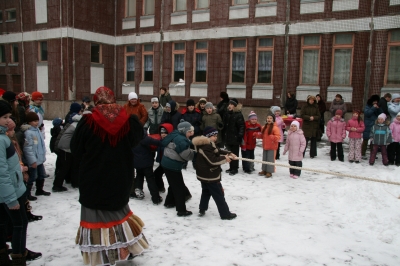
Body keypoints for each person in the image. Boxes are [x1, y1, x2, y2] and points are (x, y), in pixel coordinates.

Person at [71, 87, 148, 266]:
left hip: (93, 178)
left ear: (96, 101)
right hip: (121, 176)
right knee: (119, 213)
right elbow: (136, 140)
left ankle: (102, 253)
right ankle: (124, 247)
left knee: (95, 216)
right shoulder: (129, 120)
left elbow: (76, 149)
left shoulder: (87, 121)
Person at [0, 101, 42, 266]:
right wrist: (11, 198)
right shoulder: (1, 140)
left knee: (3, 222)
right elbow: (2, 173)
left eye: (9, 117)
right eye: (4, 117)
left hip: (7, 191)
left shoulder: (4, 137)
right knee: (20, 223)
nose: (7, 120)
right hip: (10, 192)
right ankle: (18, 257)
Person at [192, 126, 237, 220]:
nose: (216, 137)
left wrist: (228, 153)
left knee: (206, 192)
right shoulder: (206, 147)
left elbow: (217, 150)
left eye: (216, 135)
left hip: (204, 175)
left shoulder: (208, 143)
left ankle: (202, 209)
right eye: (214, 136)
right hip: (209, 175)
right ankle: (225, 214)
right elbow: (212, 161)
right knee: (218, 195)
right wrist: (225, 159)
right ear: (208, 136)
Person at [161, 120, 195, 217]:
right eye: (189, 132)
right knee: (179, 188)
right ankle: (181, 210)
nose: (191, 133)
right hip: (172, 165)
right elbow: (186, 155)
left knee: (173, 184)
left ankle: (169, 202)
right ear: (184, 131)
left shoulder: (176, 134)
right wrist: (195, 154)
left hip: (166, 163)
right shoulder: (181, 140)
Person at [132, 130, 163, 204]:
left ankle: (138, 191)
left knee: (139, 176)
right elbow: (157, 143)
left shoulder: (132, 139)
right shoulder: (144, 138)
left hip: (136, 162)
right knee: (150, 179)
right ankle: (156, 198)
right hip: (146, 163)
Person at [24, 112, 51, 198]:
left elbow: (40, 144)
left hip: (39, 159)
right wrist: (32, 161)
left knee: (41, 175)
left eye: (37, 120)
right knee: (32, 177)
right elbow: (28, 148)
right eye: (34, 121)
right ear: (29, 122)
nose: (36, 122)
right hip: (34, 160)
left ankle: (39, 190)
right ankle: (27, 194)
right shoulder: (28, 133)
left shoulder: (37, 130)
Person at [222, 98, 245, 176]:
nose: (230, 106)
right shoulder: (227, 113)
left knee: (235, 153)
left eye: (232, 104)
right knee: (229, 153)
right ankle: (231, 167)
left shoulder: (238, 114)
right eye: (229, 104)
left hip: (235, 137)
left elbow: (241, 126)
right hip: (228, 137)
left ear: (235, 106)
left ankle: (235, 168)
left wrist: (240, 135)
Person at [256, 114, 281, 178]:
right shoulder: (264, 127)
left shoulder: (275, 128)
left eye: (270, 118)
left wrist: (273, 137)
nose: (269, 119)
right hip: (265, 145)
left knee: (270, 159)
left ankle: (269, 171)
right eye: (268, 118)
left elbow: (278, 137)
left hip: (272, 146)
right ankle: (264, 170)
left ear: (273, 119)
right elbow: (262, 136)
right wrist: (257, 135)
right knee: (264, 158)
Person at [154, 123, 174, 193]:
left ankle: (183, 193)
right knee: (157, 174)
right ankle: (161, 187)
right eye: (162, 133)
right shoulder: (160, 140)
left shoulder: (171, 141)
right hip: (163, 162)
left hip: (168, 163)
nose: (163, 134)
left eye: (165, 133)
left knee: (172, 179)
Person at [362, 94, 382, 159]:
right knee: (365, 140)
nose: (375, 103)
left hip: (375, 125)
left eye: (376, 101)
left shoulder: (377, 107)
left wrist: (378, 108)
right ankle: (362, 153)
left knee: (373, 141)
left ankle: (373, 154)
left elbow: (381, 114)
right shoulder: (368, 106)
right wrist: (373, 108)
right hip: (367, 125)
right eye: (374, 101)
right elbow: (367, 113)